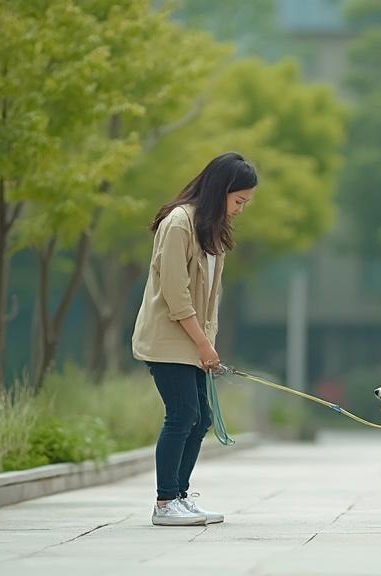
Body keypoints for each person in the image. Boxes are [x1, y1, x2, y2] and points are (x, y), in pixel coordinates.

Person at [131, 152, 257, 526]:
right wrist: (204, 344)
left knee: (200, 418)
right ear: (222, 190)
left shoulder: (209, 229)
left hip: (193, 341)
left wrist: (206, 343)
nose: (241, 209)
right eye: (239, 200)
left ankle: (179, 497)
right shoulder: (179, 223)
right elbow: (175, 292)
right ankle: (165, 502)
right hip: (168, 340)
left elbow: (210, 295)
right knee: (182, 415)